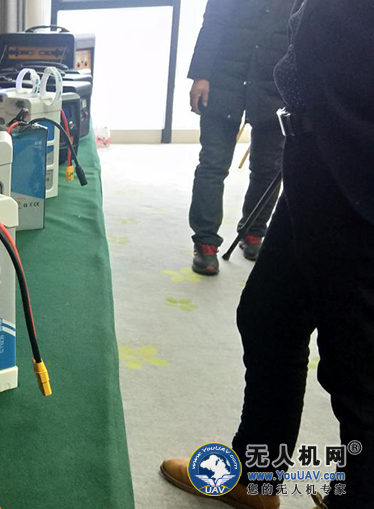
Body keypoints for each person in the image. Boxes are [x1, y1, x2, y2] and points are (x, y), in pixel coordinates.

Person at [161, 0, 374, 508]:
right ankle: (256, 478)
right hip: (314, 159)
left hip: (356, 173)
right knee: (268, 316)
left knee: (356, 361)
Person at [188, 0, 293, 276]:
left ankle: (254, 231)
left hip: (273, 85)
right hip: (223, 80)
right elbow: (213, 23)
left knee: (269, 167)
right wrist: (200, 75)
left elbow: (301, 34)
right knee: (212, 164)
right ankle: (205, 242)